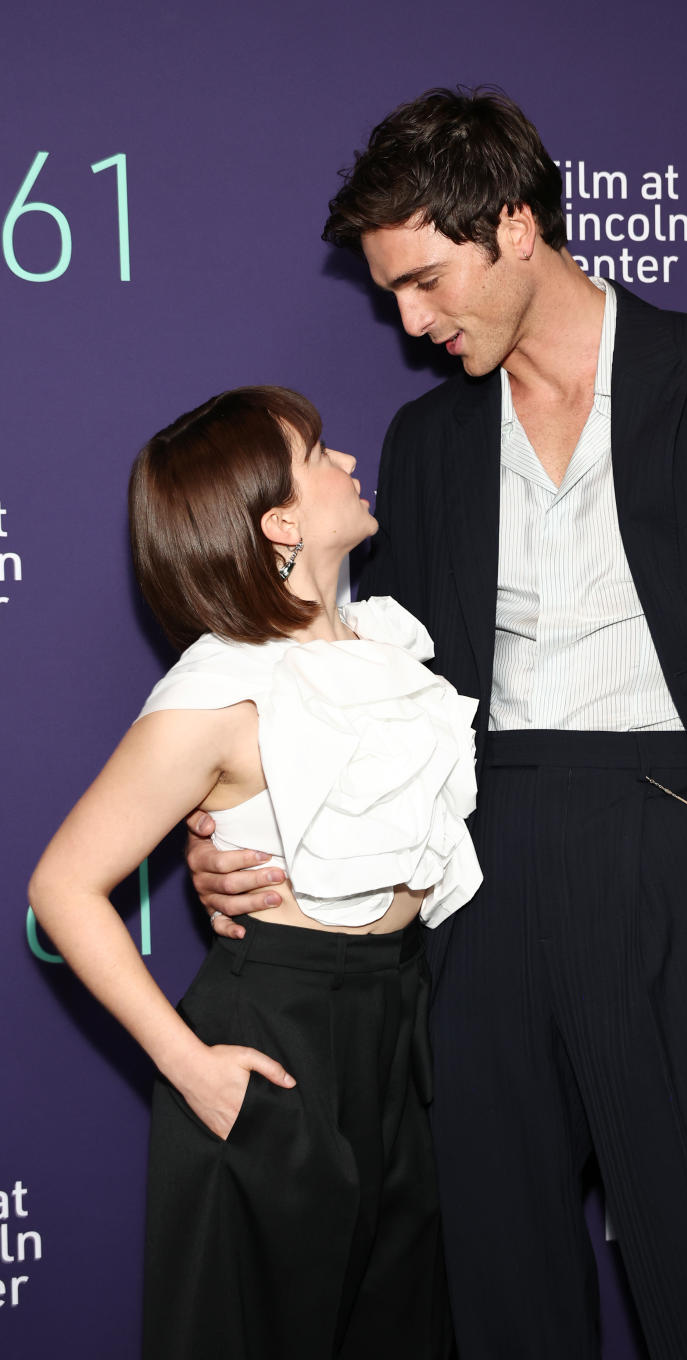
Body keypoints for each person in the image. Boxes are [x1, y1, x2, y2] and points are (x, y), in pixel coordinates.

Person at [189, 92, 687, 1359]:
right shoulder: (428, 440)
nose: (413, 321)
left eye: (429, 281)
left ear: (517, 225)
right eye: (392, 297)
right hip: (482, 885)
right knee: (500, 1297)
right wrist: (247, 830)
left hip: (683, 849)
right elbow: (389, 697)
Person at [28, 385, 480, 1360]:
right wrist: (193, 1070)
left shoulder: (386, 646)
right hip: (279, 1038)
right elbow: (63, 883)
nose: (349, 462)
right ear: (279, 519)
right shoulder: (220, 686)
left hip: (400, 1028)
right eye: (318, 454)